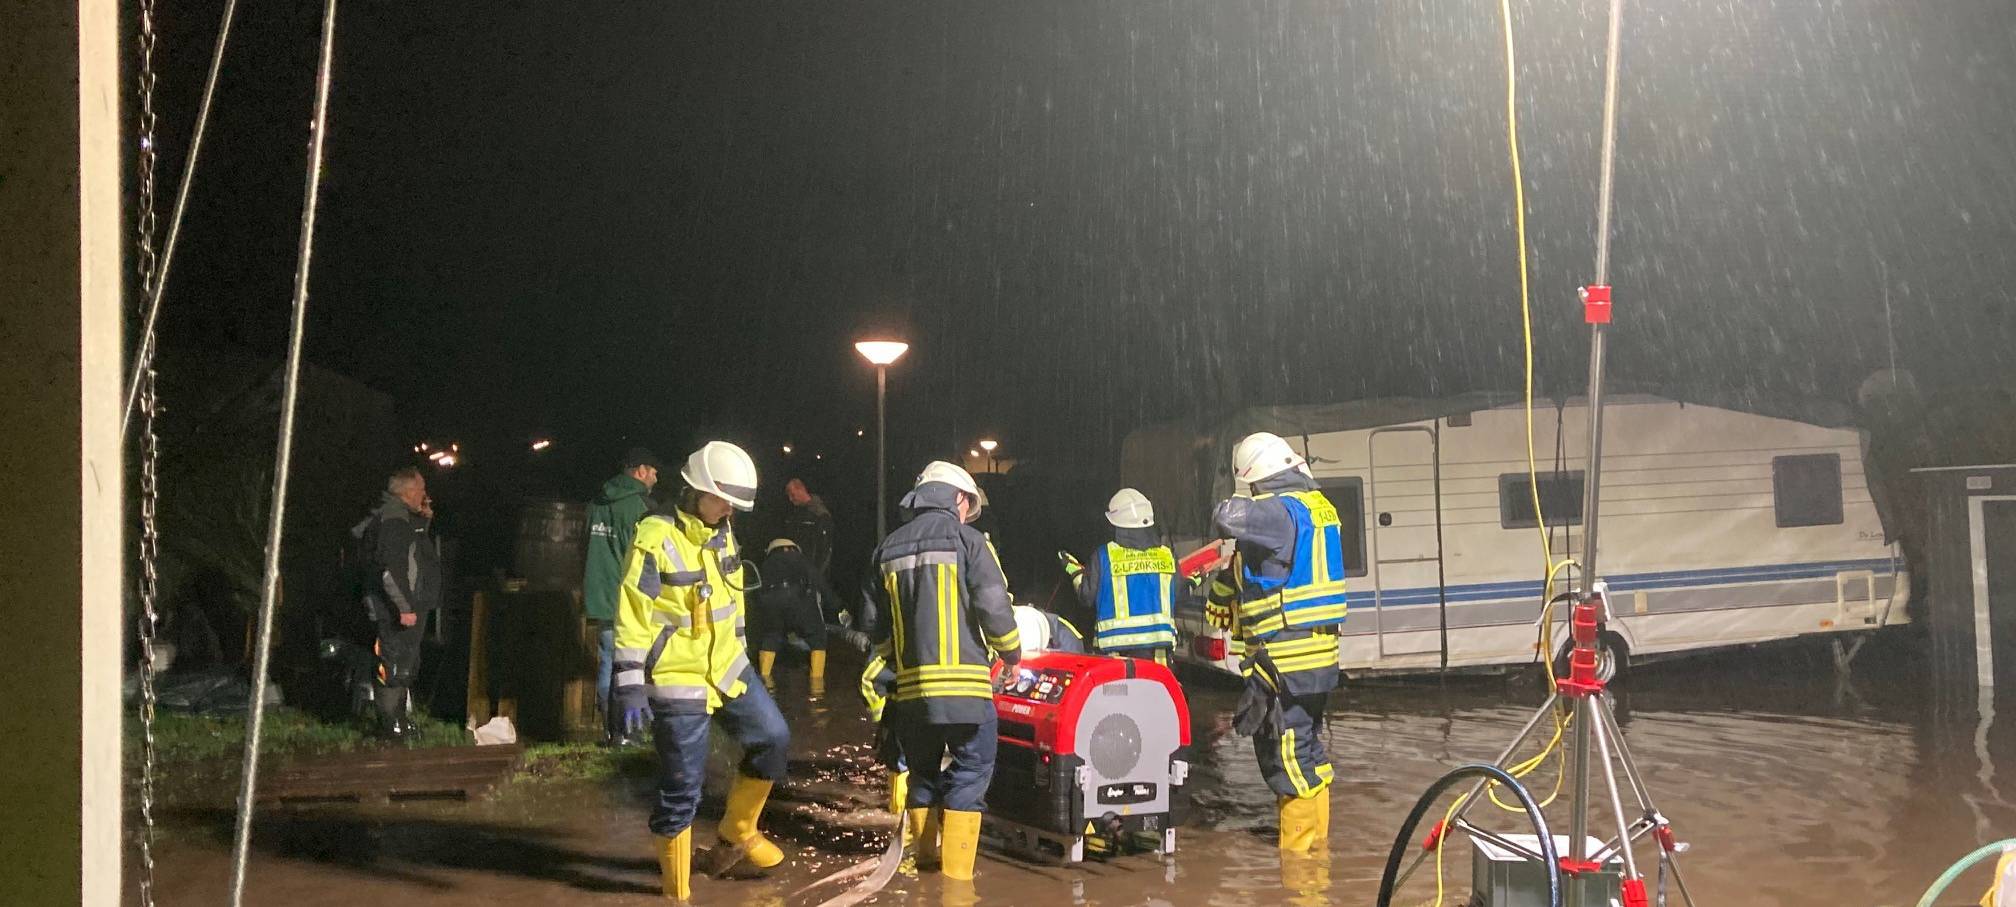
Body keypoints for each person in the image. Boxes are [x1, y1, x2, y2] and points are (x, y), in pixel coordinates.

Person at [610, 441, 791, 900]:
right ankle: (678, 892)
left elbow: (733, 599)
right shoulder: (655, 536)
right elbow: (633, 609)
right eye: (722, 499)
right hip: (679, 678)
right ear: (695, 490)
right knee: (682, 789)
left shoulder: (724, 531)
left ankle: (737, 835)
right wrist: (629, 681)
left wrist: (745, 653)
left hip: (728, 667)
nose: (729, 509)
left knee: (773, 737)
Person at [866, 461, 1020, 885]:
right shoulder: (970, 543)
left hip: (912, 695)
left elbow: (876, 630)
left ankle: (925, 870)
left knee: (922, 775)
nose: (968, 513)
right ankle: (955, 887)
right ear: (956, 499)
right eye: (968, 504)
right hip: (969, 693)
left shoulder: (886, 549)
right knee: (971, 774)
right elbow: (994, 605)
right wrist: (1012, 655)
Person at [1205, 432, 1349, 856]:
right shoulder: (1317, 509)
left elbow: (1227, 516)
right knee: (1306, 753)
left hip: (1283, 662)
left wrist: (1236, 494)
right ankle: (1316, 857)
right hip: (1314, 662)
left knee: (1286, 760)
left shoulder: (1278, 510)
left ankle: (1300, 874)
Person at [354, 467, 441, 740]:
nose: (425, 495)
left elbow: (414, 556)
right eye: (421, 489)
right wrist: (403, 607)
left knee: (406, 663)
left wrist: (424, 520)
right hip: (394, 610)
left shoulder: (404, 518)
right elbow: (390, 570)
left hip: (410, 605)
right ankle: (389, 725)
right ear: (407, 491)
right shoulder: (393, 520)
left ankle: (399, 721)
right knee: (393, 664)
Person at [584, 447, 660, 744]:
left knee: (608, 664)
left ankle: (611, 730)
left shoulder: (594, 503)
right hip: (629, 600)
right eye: (653, 471)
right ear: (640, 471)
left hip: (599, 596)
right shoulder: (640, 507)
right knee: (632, 667)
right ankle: (629, 731)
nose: (656, 477)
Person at [1064, 488, 1178, 664]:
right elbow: (1179, 593)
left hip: (1115, 657)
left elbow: (1086, 597)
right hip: (1158, 659)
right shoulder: (1166, 555)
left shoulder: (1104, 556)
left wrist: (1074, 571)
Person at [754, 537, 839, 694]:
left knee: (771, 638)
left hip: (771, 601)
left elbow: (756, 590)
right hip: (800, 600)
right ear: (792, 548)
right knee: (817, 638)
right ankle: (817, 684)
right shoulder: (801, 559)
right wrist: (838, 607)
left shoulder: (766, 564)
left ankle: (765, 681)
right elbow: (819, 582)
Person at [782, 478, 835, 580]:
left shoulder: (820, 515)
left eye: (792, 494)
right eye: (788, 496)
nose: (790, 499)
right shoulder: (794, 514)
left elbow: (825, 552)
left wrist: (816, 576)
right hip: (797, 572)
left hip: (813, 575)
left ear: (801, 489)